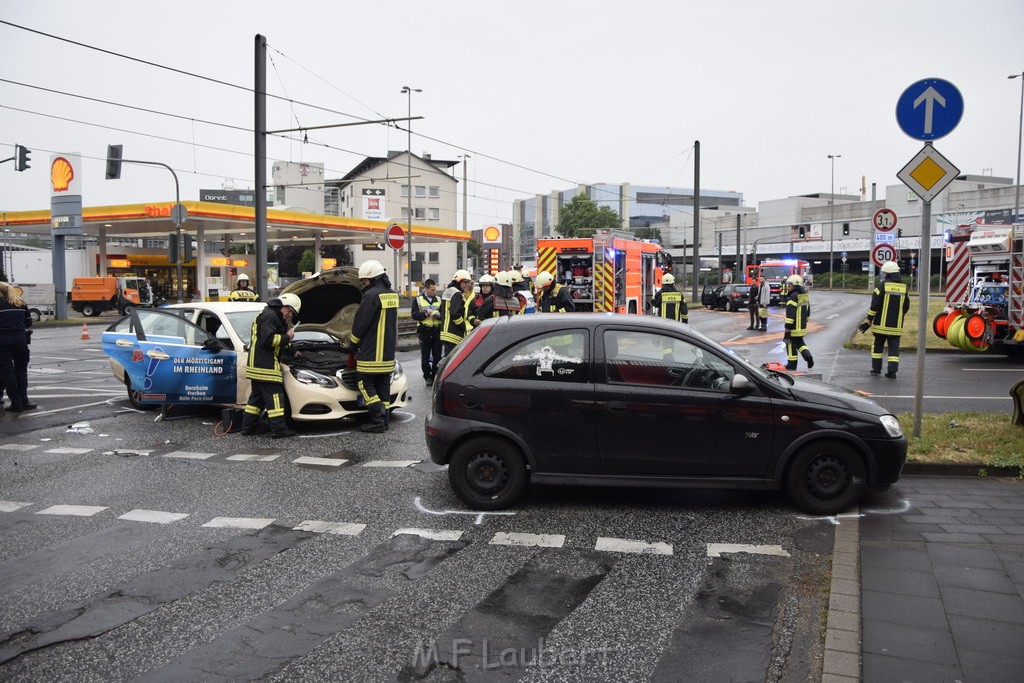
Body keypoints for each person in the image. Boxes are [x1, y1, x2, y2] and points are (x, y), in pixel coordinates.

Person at [241, 293, 301, 438]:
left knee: (256, 399)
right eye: (290, 311)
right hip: (265, 366)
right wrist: (288, 336)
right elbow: (269, 340)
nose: (290, 315)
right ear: (284, 307)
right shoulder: (270, 316)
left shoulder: (272, 316)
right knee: (275, 396)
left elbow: (278, 341)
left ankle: (248, 427)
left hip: (257, 364)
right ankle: (279, 429)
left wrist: (292, 351)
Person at [349, 259, 399, 433]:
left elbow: (360, 325)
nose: (363, 284)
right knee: (383, 387)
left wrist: (352, 346)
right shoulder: (392, 294)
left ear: (371, 278)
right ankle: (384, 421)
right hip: (387, 354)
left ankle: (377, 421)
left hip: (371, 353)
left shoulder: (370, 296)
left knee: (364, 383)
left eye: (364, 281)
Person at [858, 260, 910, 378]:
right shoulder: (904, 288)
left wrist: (869, 319)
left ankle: (876, 369)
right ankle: (892, 372)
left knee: (877, 347)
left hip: (880, 326)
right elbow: (906, 306)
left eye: (884, 273)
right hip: (896, 327)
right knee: (893, 350)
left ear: (888, 274)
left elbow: (874, 305)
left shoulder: (881, 286)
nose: (884, 275)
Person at [0, 282, 35, 413]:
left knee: (7, 372)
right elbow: (29, 322)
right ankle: (24, 400)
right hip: (20, 339)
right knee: (21, 371)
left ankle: (16, 403)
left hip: (2, 340)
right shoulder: (21, 303)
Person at [410, 278, 442, 386]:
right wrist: (426, 314)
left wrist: (438, 316)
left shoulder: (439, 299)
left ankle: (435, 376)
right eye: (432, 290)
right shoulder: (418, 300)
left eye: (435, 289)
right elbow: (414, 315)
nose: (435, 292)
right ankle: (427, 377)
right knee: (425, 356)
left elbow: (444, 315)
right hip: (424, 331)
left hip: (436, 331)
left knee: (437, 356)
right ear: (426, 289)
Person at [783, 274, 814, 370]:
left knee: (790, 343)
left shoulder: (792, 297)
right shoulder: (803, 296)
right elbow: (808, 312)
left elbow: (790, 315)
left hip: (793, 327)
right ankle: (808, 356)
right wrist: (804, 323)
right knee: (800, 343)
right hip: (801, 327)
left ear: (795, 285)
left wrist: (787, 327)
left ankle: (791, 365)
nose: (788, 287)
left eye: (790, 285)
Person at [439, 269, 472, 356]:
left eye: (468, 282)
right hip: (454, 333)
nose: (466, 285)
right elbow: (455, 314)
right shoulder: (457, 293)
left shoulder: (448, 291)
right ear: (458, 282)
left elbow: (441, 310)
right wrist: (463, 326)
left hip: (445, 332)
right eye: (464, 282)